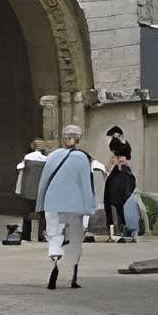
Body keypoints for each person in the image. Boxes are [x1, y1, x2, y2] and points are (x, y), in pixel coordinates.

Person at [35, 124, 96, 291]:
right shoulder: (82, 158)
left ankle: (55, 264)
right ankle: (72, 276)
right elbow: (86, 186)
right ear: (78, 139)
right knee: (74, 240)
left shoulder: (52, 156)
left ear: (63, 138)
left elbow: (43, 182)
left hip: (52, 203)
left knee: (55, 236)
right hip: (74, 205)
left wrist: (40, 204)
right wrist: (89, 207)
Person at [14, 140, 47, 247]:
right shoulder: (46, 159)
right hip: (41, 190)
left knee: (27, 212)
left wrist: (19, 190)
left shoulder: (27, 157)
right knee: (42, 214)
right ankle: (41, 236)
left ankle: (26, 235)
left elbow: (20, 168)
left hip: (28, 189)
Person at [102, 147, 138, 241]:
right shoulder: (124, 173)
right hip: (120, 199)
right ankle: (123, 231)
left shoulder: (121, 173)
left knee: (116, 210)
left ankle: (117, 231)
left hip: (117, 199)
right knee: (118, 210)